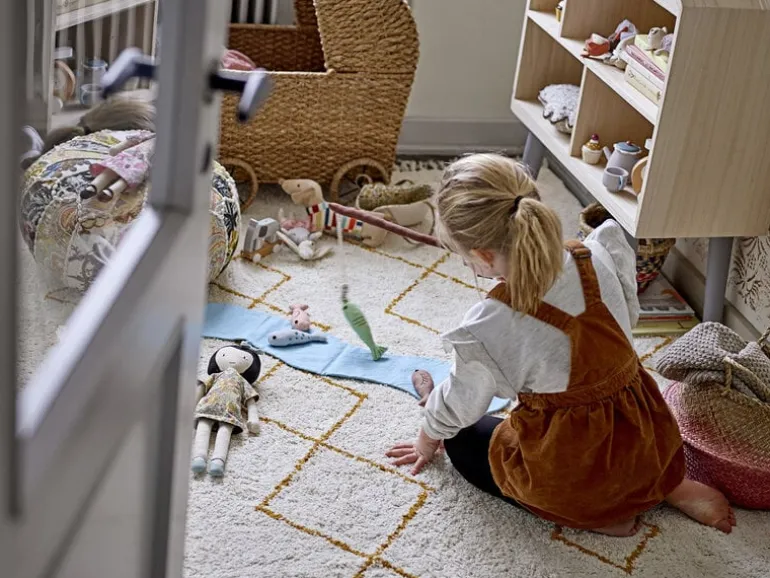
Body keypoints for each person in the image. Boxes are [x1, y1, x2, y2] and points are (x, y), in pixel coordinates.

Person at [386, 154, 735, 536]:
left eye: (465, 260)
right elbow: (627, 318)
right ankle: (669, 484)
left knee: (461, 438)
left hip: (574, 467)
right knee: (600, 412)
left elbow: (458, 403)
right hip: (646, 437)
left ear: (484, 255)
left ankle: (602, 514)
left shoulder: (492, 324)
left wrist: (426, 441)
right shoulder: (596, 252)